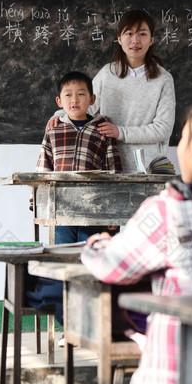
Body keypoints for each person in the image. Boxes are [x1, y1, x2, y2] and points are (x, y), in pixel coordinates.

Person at [81, 95, 192, 384]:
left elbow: (110, 267)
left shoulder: (171, 210)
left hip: (184, 379)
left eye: (181, 136)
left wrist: (97, 243)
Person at [26, 70, 122, 344]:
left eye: (81, 94)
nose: (75, 99)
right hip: (61, 213)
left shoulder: (103, 130)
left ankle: (93, 326)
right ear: (59, 100)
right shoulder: (54, 131)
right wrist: (38, 205)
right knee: (63, 266)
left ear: (92, 98)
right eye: (68, 95)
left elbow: (115, 171)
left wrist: (114, 213)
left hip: (94, 214)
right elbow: (42, 169)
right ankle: (68, 327)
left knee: (93, 266)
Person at [48, 9, 176, 172]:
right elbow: (87, 105)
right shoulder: (108, 73)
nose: (135, 40)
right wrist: (59, 116)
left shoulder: (163, 79)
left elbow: (163, 129)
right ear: (120, 39)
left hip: (148, 169)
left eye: (142, 34)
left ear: (151, 40)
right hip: (107, 163)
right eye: (129, 33)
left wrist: (120, 132)